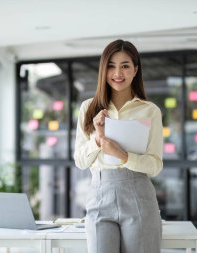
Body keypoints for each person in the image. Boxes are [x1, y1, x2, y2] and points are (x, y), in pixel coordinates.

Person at [73, 39, 164, 253]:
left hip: (139, 195)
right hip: (99, 194)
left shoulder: (150, 111)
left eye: (125, 66)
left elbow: (155, 166)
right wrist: (97, 138)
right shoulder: (88, 108)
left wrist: (124, 156)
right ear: (103, 70)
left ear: (135, 70)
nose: (118, 73)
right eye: (111, 66)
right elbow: (80, 161)